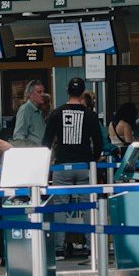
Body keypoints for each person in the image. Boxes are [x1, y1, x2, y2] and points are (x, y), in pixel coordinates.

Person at [43, 79, 104, 258]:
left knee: (60, 207)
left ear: (66, 91)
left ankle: (59, 248)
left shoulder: (56, 113)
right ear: (83, 92)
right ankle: (92, 246)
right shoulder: (90, 115)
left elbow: (46, 142)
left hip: (62, 166)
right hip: (84, 166)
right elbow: (99, 142)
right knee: (88, 206)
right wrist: (92, 159)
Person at [11, 80, 49, 147]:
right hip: (33, 153)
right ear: (30, 94)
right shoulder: (25, 109)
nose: (43, 94)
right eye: (39, 92)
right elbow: (19, 137)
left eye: (43, 91)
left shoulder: (39, 111)